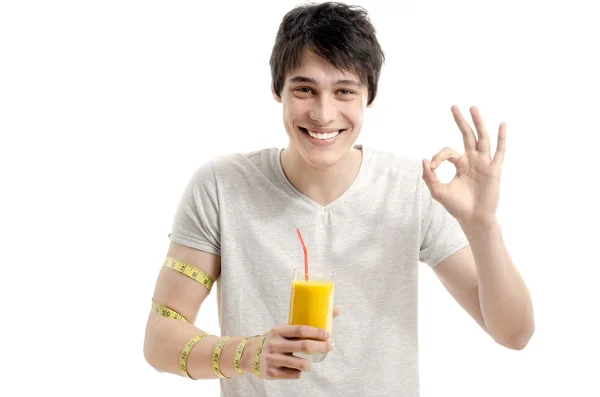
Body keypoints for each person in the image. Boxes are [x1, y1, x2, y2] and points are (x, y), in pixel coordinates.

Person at [143, 2, 535, 396]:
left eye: (344, 90)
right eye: (304, 89)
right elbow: (160, 339)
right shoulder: (221, 186)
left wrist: (482, 225)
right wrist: (248, 353)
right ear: (278, 89)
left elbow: (514, 333)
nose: (323, 113)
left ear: (369, 96)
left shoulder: (413, 188)